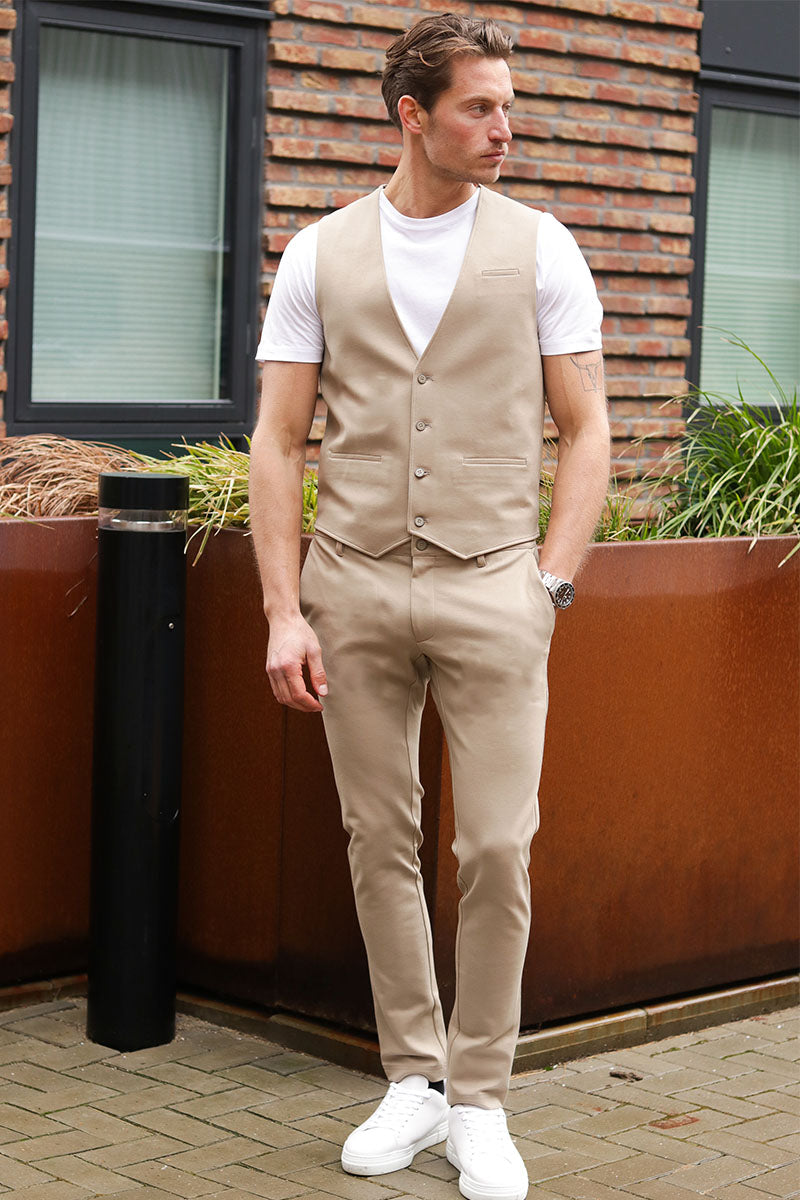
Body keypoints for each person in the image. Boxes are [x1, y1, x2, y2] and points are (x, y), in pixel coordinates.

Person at [249, 13, 610, 1200]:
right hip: (348, 584)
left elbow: (586, 430)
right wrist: (283, 611)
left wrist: (547, 582)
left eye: (507, 106)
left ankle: (480, 1099)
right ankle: (411, 1077)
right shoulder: (320, 254)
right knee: (377, 838)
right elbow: (276, 442)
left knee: (495, 847)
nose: (505, 128)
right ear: (412, 115)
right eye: (479, 107)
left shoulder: (542, 247)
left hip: (493, 583)